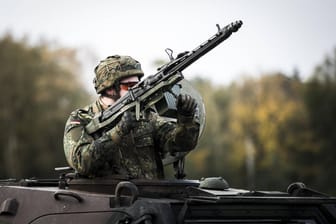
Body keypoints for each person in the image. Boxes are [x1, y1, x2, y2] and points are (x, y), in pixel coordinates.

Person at [63, 55, 200, 179]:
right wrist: (118, 131)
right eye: (129, 85)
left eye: (138, 84)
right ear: (110, 88)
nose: (136, 89)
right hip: (109, 202)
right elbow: (81, 163)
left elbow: (180, 145)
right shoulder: (81, 119)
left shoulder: (145, 115)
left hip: (153, 199)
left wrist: (186, 119)